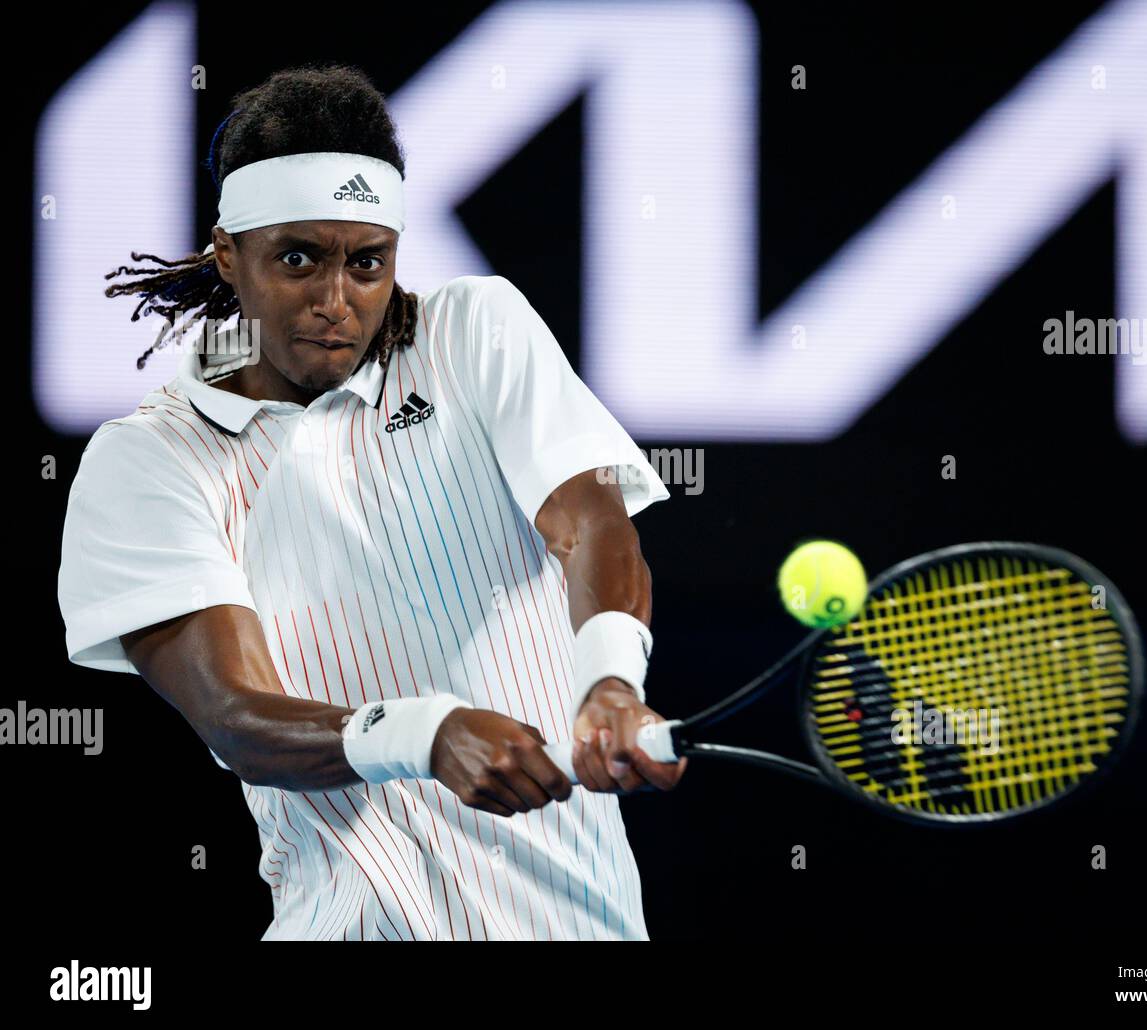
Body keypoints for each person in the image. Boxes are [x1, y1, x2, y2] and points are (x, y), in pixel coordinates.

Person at [57, 64, 685, 941]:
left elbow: (591, 518)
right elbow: (237, 718)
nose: (334, 302)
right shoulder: (149, 461)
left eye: (367, 262)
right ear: (228, 254)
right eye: (298, 258)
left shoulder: (475, 331)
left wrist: (611, 678)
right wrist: (424, 734)